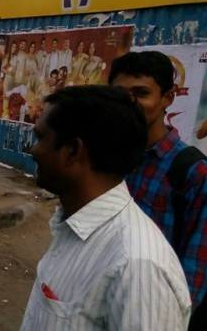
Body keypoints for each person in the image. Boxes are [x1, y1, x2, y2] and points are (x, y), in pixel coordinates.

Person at [21, 85, 191, 330]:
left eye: (40, 138)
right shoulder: (75, 226)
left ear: (73, 151)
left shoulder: (137, 266)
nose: (33, 150)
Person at [109, 51, 207, 329]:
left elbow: (196, 272)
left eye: (141, 93)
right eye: (120, 93)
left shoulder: (192, 172)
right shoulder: (106, 157)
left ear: (168, 98)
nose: (129, 103)